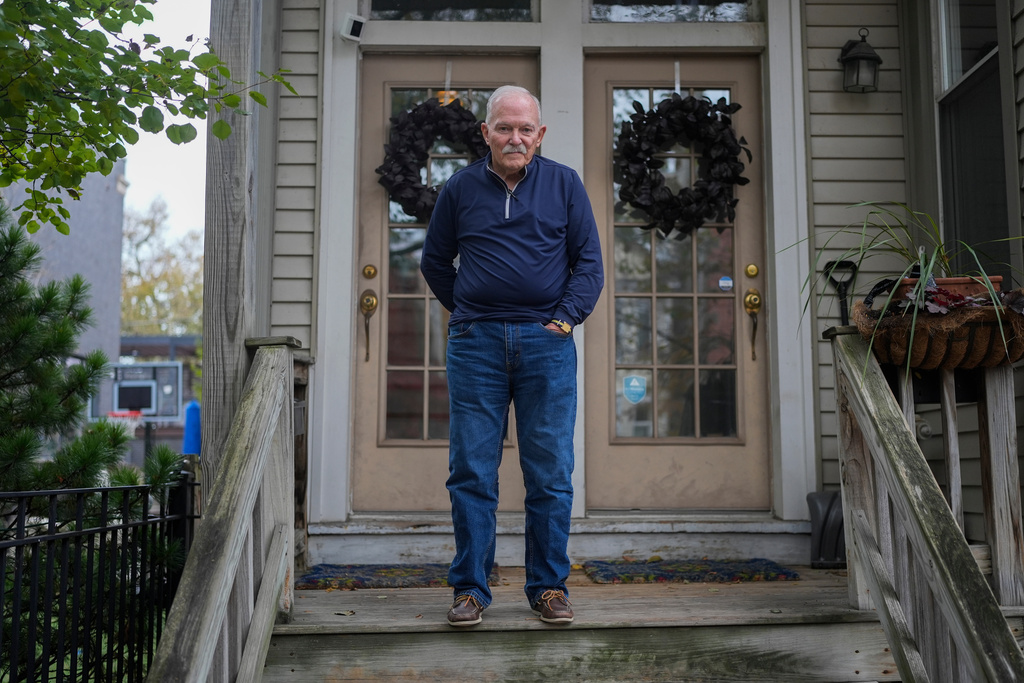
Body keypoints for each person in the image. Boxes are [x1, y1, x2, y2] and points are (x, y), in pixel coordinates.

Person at [420, 85, 604, 627]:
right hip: (476, 347)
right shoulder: (460, 189)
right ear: (486, 133)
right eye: (504, 127)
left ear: (540, 135)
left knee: (550, 471)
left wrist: (564, 320)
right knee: (472, 470)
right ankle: (471, 590)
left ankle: (548, 587)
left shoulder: (565, 185)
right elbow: (435, 262)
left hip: (545, 345)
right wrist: (468, 314)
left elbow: (589, 263)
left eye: (526, 129)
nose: (515, 138)